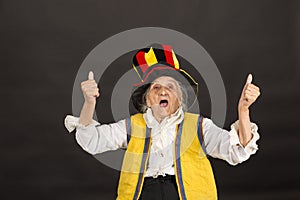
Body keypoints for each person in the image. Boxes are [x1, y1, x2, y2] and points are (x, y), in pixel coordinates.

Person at [64, 44, 261, 200]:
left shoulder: (200, 126)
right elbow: (91, 141)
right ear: (147, 100)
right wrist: (89, 103)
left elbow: (238, 151)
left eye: (170, 86)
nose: (163, 91)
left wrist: (243, 111)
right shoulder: (133, 126)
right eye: (156, 88)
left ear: (180, 98)